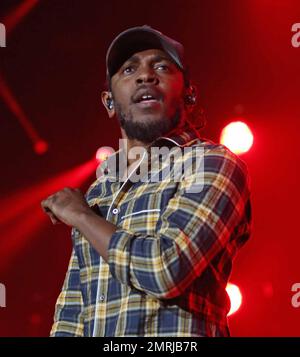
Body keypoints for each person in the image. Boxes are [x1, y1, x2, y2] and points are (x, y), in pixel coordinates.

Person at [42, 25, 251, 337]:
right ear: (109, 102)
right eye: (129, 69)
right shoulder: (100, 190)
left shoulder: (211, 163)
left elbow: (166, 269)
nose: (145, 76)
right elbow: (72, 312)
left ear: (189, 94)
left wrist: (82, 216)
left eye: (162, 66)